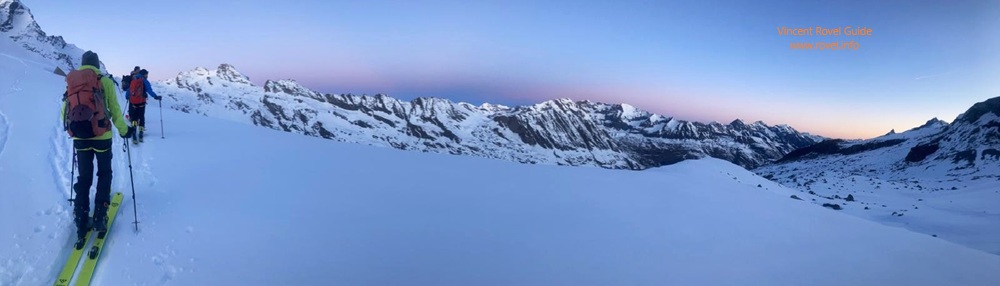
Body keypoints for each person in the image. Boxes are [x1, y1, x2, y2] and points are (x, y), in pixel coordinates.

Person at [61, 51, 134, 241]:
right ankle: (101, 215)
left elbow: (65, 110)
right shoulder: (105, 81)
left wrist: (72, 129)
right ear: (96, 65)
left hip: (80, 137)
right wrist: (124, 130)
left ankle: (81, 217)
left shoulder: (72, 82)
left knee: (84, 177)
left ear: (83, 64)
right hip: (102, 136)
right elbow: (115, 111)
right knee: (104, 173)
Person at [126, 69, 161, 143]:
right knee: (141, 117)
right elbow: (149, 91)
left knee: (134, 118)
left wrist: (128, 97)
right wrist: (156, 97)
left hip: (133, 103)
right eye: (146, 74)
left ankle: (134, 131)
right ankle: (141, 132)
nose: (147, 76)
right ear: (144, 74)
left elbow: (129, 90)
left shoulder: (134, 79)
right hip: (141, 103)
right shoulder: (145, 81)